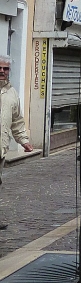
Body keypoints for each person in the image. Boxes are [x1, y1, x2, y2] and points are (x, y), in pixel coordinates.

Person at [0, 55, 32, 230]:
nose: (2, 71)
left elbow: (17, 120)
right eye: (0, 68)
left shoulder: (12, 93)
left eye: (5, 68)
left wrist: (23, 140)